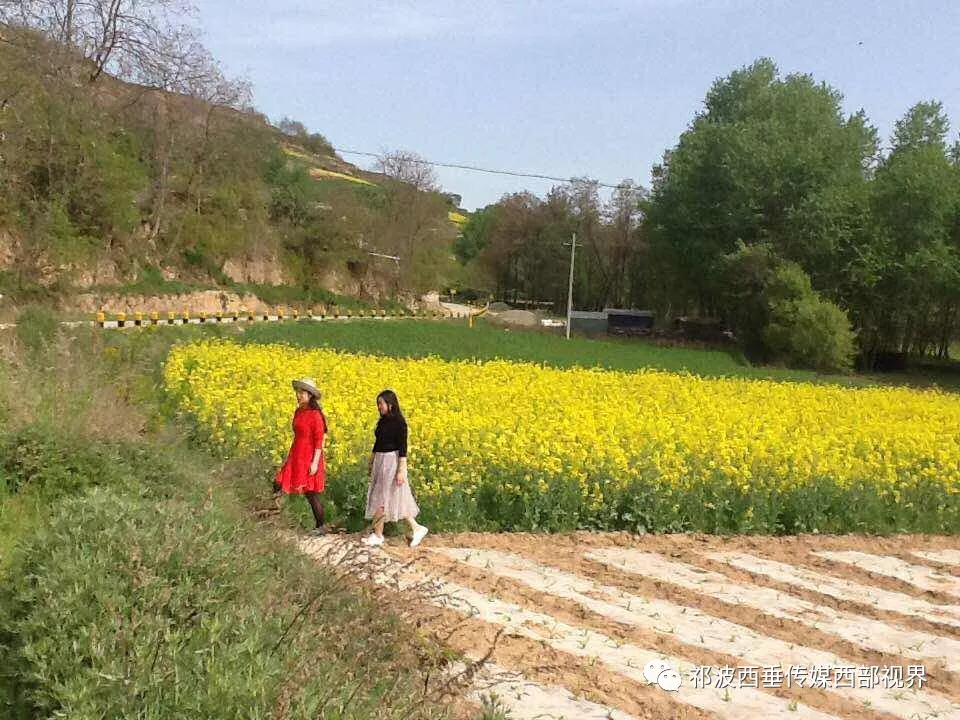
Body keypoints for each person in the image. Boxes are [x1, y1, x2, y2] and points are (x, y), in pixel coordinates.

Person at [362, 389, 428, 547]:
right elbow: (377, 443)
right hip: (380, 460)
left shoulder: (399, 422)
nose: (379, 407)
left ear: (390, 404)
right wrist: (372, 462)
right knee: (392, 497)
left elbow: (403, 448)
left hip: (391, 461)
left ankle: (378, 535)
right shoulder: (382, 421)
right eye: (378, 404)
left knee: (382, 497)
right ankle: (416, 528)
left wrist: (401, 470)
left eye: (381, 403)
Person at [276, 378, 328, 535]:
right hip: (296, 454)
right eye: (298, 392)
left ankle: (320, 527)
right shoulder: (299, 411)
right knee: (279, 481)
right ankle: (270, 514)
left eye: (302, 393)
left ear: (310, 395)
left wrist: (314, 463)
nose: (298, 395)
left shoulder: (316, 415)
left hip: (310, 457)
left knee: (311, 493)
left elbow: (319, 441)